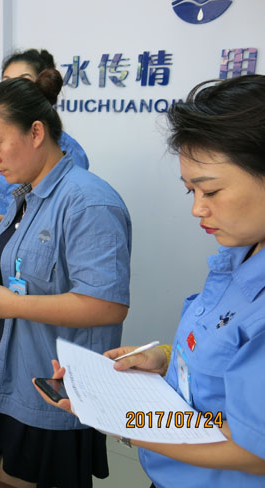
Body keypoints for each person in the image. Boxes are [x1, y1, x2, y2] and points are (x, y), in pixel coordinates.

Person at [37, 75, 265, 487]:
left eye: (211, 192)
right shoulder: (239, 256)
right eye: (190, 191)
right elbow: (227, 367)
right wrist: (164, 359)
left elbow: (252, 450)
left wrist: (124, 421)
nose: (197, 209)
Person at [0, 69, 132, 487]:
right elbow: (26, 272)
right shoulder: (26, 197)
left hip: (56, 384)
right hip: (18, 371)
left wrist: (12, 305)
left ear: (36, 132)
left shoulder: (88, 203)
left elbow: (106, 305)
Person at [0, 48, 89, 264]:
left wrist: (8, 222)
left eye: (22, 82)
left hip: (30, 262)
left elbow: (60, 221)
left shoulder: (78, 181)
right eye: (6, 82)